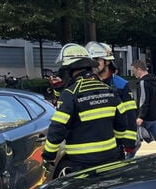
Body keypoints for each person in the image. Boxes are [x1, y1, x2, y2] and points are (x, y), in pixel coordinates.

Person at [42, 43, 136, 176]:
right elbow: (122, 123)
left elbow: (57, 128)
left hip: (82, 162)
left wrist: (49, 156)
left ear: (69, 70)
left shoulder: (71, 93)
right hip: (111, 157)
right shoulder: (109, 90)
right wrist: (119, 143)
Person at [87, 41, 138, 152]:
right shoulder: (87, 84)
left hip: (115, 143)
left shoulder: (121, 85)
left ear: (107, 62)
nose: (93, 64)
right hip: (93, 143)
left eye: (97, 60)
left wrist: (128, 144)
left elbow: (130, 115)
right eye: (91, 60)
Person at [131, 59, 156, 152]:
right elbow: (155, 98)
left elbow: (143, 101)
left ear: (139, 69)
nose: (133, 74)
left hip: (146, 118)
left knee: (135, 141)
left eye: (134, 71)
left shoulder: (143, 82)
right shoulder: (154, 80)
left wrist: (140, 116)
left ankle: (128, 159)